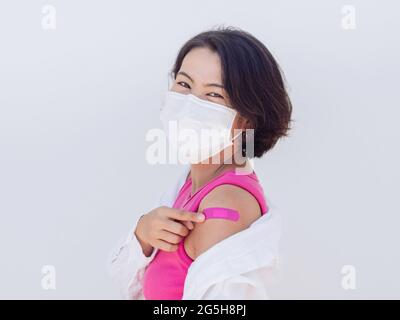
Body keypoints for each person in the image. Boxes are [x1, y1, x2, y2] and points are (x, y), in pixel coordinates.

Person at [108, 26, 292, 300]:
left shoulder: (225, 205)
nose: (190, 105)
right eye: (183, 84)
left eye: (214, 95)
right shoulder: (190, 185)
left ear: (248, 119)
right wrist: (142, 235)